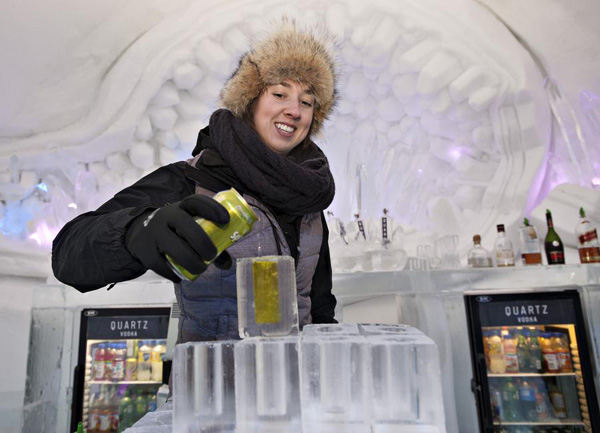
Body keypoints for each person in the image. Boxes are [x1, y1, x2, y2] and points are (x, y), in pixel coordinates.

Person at [52, 18, 339, 344]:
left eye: (306, 101)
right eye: (279, 93)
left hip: (294, 386)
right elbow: (68, 257)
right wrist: (138, 233)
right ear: (250, 101)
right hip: (211, 385)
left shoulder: (309, 194)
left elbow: (320, 308)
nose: (294, 110)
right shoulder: (192, 180)